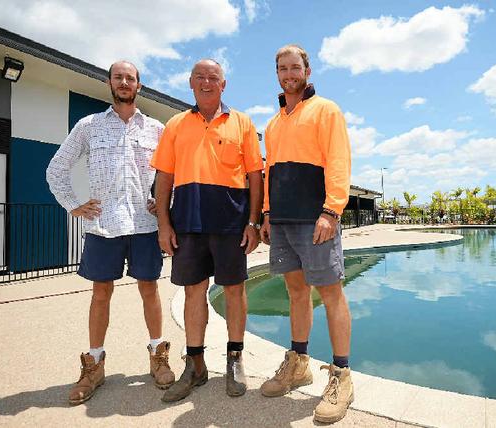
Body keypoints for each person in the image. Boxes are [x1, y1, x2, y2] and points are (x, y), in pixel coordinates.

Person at [46, 61, 174, 405]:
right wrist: (73, 204)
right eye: (118, 77)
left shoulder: (156, 129)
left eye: (130, 78)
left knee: (150, 289)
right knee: (101, 292)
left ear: (139, 86)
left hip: (144, 225)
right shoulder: (88, 126)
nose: (124, 82)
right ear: (109, 83)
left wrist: (163, 204)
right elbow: (56, 168)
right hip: (105, 225)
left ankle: (157, 356)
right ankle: (95, 365)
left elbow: (170, 175)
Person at [151, 59, 264, 402]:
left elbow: (256, 176)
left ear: (223, 84)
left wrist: (254, 222)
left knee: (233, 291)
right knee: (193, 292)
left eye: (213, 77)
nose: (206, 82)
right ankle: (195, 365)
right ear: (190, 83)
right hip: (187, 224)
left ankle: (234, 360)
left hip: (231, 224)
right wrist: (164, 224)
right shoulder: (175, 124)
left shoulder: (242, 122)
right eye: (199, 77)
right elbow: (164, 177)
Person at [259, 44, 353, 423]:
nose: (288, 73)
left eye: (294, 67)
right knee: (296, 292)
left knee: (330, 293)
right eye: (282, 68)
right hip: (281, 221)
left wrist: (332, 210)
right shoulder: (273, 123)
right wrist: (266, 213)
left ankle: (342, 375)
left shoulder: (326, 110)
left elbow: (339, 162)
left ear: (307, 71)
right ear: (277, 73)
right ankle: (298, 363)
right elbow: (270, 173)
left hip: (316, 218)